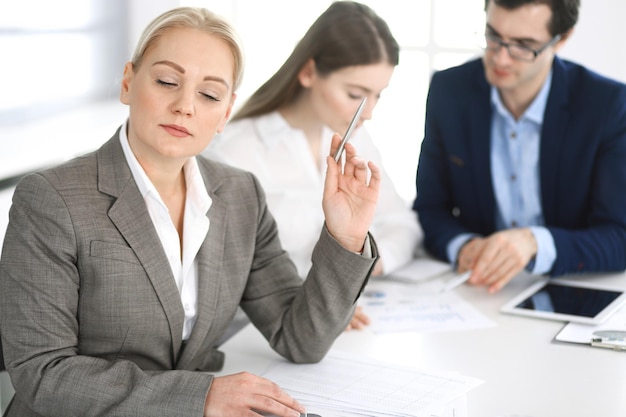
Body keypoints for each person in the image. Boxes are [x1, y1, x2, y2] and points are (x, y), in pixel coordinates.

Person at [0, 7, 382, 417]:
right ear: (128, 82)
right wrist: (198, 397)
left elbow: (300, 339)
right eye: (167, 81)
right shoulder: (52, 199)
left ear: (226, 113)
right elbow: (43, 373)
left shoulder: (240, 195)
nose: (185, 106)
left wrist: (346, 236)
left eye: (209, 95)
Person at [203, 1, 422, 329]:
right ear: (308, 72)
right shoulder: (235, 151)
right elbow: (233, 274)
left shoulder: (358, 140)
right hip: (266, 331)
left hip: (348, 323)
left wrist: (364, 267)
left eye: (378, 95)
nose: (370, 112)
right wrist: (325, 297)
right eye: (356, 95)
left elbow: (403, 224)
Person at [413, 0, 626, 294]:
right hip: (477, 291)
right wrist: (464, 247)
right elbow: (429, 208)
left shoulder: (607, 105)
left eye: (523, 46)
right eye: (493, 36)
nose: (500, 58)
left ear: (562, 39)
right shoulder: (449, 91)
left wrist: (534, 243)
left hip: (571, 290)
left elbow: (620, 237)